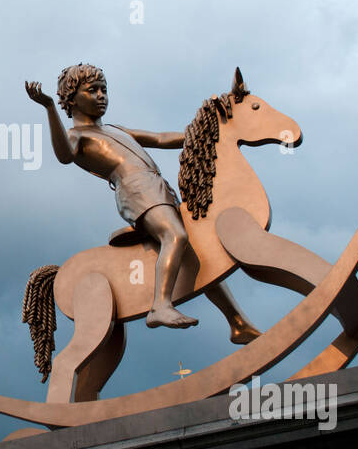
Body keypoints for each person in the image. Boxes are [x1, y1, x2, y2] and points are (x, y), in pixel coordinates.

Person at [26, 63, 259, 339]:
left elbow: (160, 138)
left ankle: (238, 323)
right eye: (92, 90)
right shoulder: (77, 136)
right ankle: (160, 306)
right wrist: (49, 108)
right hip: (135, 189)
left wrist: (209, 129)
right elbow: (64, 155)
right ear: (72, 99)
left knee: (196, 255)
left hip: (157, 185)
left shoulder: (115, 129)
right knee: (175, 235)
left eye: (104, 90)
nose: (101, 95)